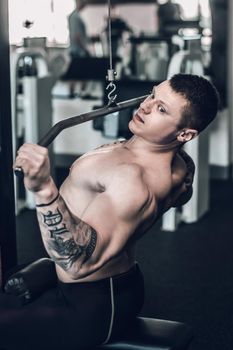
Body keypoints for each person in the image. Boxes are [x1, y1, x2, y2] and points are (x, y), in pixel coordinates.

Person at [0, 74, 219, 349]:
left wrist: (44, 188)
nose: (146, 106)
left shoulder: (133, 181)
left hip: (89, 304)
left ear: (185, 134)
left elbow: (78, 263)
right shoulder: (180, 164)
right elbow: (182, 195)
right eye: (152, 95)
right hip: (116, 284)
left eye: (162, 109)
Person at [62, 0, 90, 96]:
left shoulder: (75, 16)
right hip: (78, 50)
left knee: (76, 72)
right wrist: (85, 48)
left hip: (76, 49)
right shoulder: (75, 17)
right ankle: (79, 92)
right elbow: (77, 35)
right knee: (80, 72)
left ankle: (75, 92)